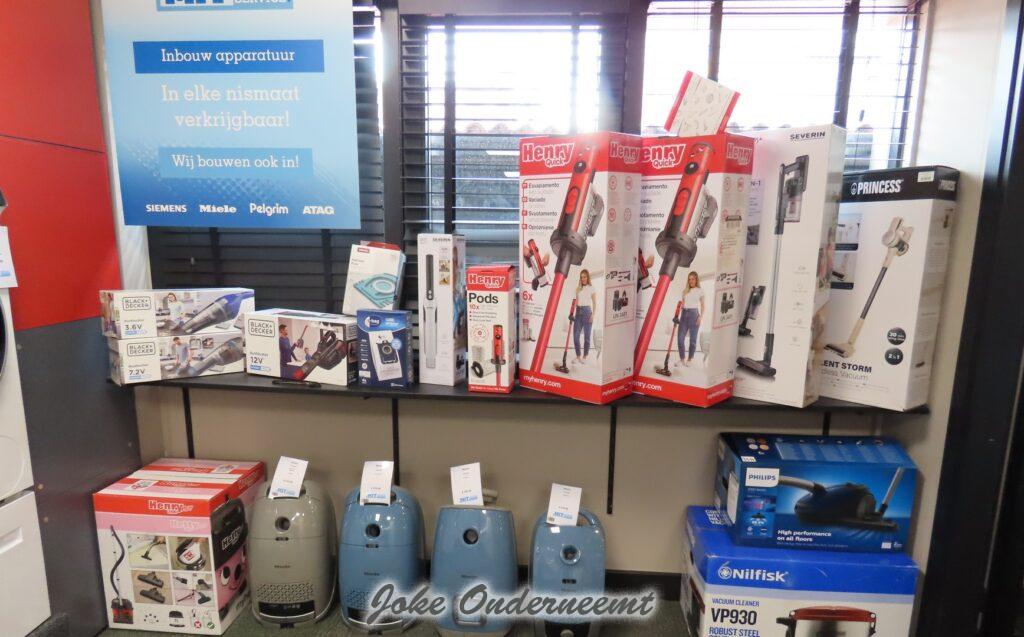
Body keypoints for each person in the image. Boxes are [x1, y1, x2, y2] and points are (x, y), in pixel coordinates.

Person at [676, 271, 704, 367]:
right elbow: (683, 304)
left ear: (696, 280)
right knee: (680, 339)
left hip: (694, 315)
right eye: (689, 279)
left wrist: (700, 317)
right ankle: (682, 359)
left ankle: (690, 359)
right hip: (684, 314)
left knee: (693, 340)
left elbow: (703, 305)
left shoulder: (700, 290)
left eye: (692, 279)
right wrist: (679, 311)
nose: (691, 281)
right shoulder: (685, 291)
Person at [573, 269, 597, 363]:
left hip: (587, 312)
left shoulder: (591, 288)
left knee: (587, 337)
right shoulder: (578, 289)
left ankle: (585, 356)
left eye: (584, 277)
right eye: (581, 277)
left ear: (587, 277)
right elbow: (576, 302)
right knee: (576, 336)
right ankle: (578, 356)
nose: (583, 279)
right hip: (578, 312)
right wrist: (572, 313)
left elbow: (594, 303)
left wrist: (593, 315)